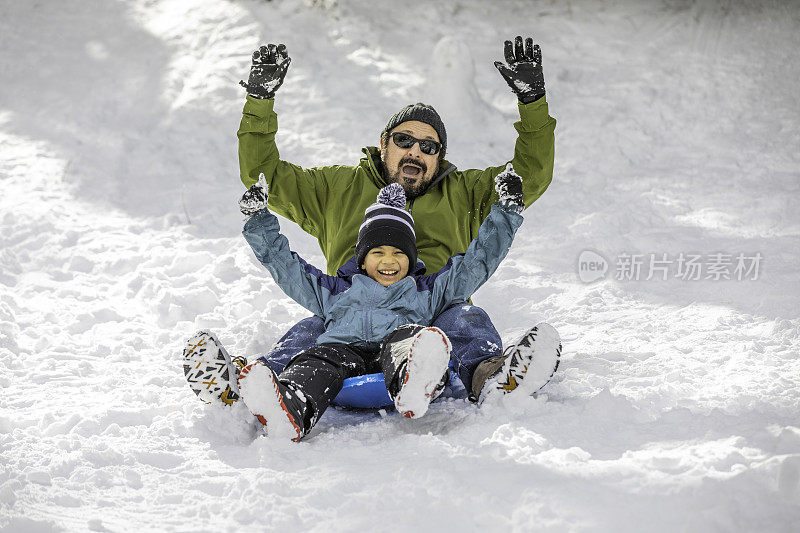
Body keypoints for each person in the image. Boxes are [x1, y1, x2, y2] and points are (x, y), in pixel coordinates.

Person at [235, 36, 556, 403]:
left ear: (439, 156)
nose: (415, 152)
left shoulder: (464, 191)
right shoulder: (337, 188)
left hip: (432, 313)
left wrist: (532, 104)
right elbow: (263, 175)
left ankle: (493, 378)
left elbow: (530, 177)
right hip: (347, 313)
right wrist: (260, 101)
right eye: (404, 140)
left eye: (429, 147)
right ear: (384, 142)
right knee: (307, 332)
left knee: (466, 319)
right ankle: (254, 387)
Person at [184, 165, 561, 441]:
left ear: (412, 260)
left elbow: (475, 264)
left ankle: (416, 382)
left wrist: (506, 213)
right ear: (361, 259)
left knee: (411, 341)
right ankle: (291, 411)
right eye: (377, 251)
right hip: (342, 354)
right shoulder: (336, 291)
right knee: (316, 358)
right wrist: (259, 221)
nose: (388, 260)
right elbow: (288, 269)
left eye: (399, 252)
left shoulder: (425, 290)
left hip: (394, 353)